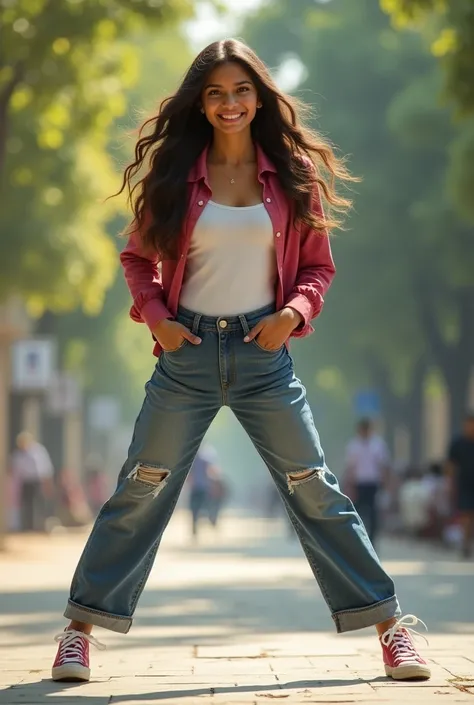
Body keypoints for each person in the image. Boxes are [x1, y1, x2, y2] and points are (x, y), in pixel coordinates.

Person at [51, 39, 430, 684]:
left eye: (241, 91)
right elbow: (138, 259)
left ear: (259, 98)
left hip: (264, 355)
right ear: (201, 102)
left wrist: (295, 315)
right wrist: (158, 319)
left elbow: (317, 269)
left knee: (316, 488)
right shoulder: (174, 178)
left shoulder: (290, 181)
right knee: (141, 488)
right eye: (216, 93)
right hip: (187, 355)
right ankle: (79, 633)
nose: (230, 103)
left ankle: (393, 630)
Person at [344, 418, 391, 547]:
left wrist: (386, 485)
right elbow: (350, 468)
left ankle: (372, 541)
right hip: (358, 484)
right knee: (357, 512)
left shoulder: (378, 445)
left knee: (373, 513)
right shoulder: (353, 446)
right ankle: (358, 540)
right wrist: (349, 486)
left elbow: (383, 466)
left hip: (373, 483)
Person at [10, 431, 54, 532]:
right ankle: (28, 526)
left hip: (37, 481)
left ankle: (39, 526)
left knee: (39, 504)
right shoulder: (18, 454)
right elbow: (15, 471)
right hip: (25, 482)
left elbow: (46, 467)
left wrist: (47, 483)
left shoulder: (38, 451)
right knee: (27, 504)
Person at [445, 414, 474, 559]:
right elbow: (450, 465)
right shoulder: (458, 444)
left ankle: (468, 541)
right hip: (464, 483)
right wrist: (449, 482)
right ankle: (465, 543)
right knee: (466, 514)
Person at [187, 443, 220, 537]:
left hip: (195, 489)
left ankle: (195, 527)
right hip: (204, 488)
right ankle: (210, 520)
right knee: (206, 506)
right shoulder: (205, 461)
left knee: (194, 509)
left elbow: (189, 476)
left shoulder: (192, 462)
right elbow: (212, 472)